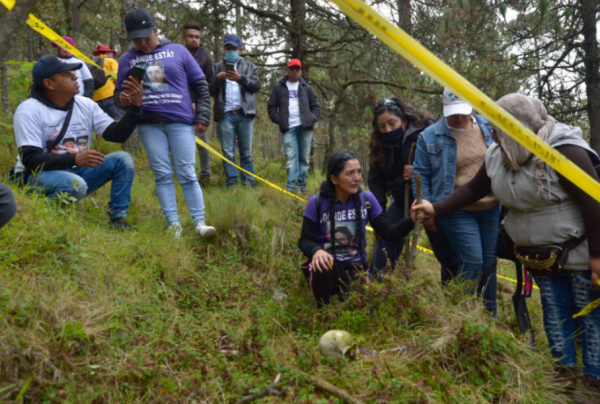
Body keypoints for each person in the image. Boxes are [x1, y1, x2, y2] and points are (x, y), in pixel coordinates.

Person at [413, 94, 600, 397]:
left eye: (499, 129)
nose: (493, 135)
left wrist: (597, 256)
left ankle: (594, 382)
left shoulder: (564, 150)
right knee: (554, 310)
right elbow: (475, 188)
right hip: (541, 256)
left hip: (578, 251)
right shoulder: (499, 154)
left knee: (588, 314)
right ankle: (563, 376)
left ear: (519, 126)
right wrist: (437, 208)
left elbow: (593, 201)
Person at [116, 8, 216, 239]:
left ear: (156, 30)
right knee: (161, 174)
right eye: (136, 39)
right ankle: (174, 224)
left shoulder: (178, 50)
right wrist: (121, 99)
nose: (142, 43)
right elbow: (119, 93)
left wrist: (202, 114)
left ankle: (199, 222)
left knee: (187, 172)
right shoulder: (127, 59)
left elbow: (200, 84)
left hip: (179, 121)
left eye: (146, 36)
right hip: (148, 124)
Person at [13, 55, 143, 228]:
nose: (75, 76)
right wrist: (73, 159)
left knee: (123, 160)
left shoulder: (85, 104)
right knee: (76, 185)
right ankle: (36, 214)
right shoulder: (29, 110)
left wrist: (135, 106)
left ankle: (118, 221)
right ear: (49, 84)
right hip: (38, 175)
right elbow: (31, 159)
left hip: (77, 171)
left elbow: (116, 135)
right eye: (66, 74)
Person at [413, 89, 499, 315]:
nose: (460, 118)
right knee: (472, 261)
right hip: (453, 208)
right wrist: (426, 210)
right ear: (442, 104)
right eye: (454, 113)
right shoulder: (429, 137)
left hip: (491, 208)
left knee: (489, 264)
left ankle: (489, 318)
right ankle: (457, 316)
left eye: (464, 112)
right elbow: (420, 175)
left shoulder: (490, 128)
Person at [298, 152, 415, 308]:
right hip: (328, 267)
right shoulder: (317, 202)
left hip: (355, 269)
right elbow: (304, 240)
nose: (357, 177)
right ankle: (322, 310)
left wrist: (412, 220)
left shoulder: (366, 199)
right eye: (350, 173)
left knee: (357, 309)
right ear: (334, 179)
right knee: (322, 265)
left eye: (359, 171)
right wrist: (316, 251)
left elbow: (388, 232)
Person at [367, 97, 459, 281]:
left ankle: (452, 297)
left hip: (436, 201)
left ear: (404, 118)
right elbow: (376, 180)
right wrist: (379, 218)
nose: (387, 130)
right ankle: (375, 291)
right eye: (382, 126)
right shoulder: (379, 144)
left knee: (447, 255)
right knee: (385, 243)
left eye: (392, 123)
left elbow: (449, 164)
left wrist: (419, 170)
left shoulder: (428, 129)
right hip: (403, 200)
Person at [209, 34, 261, 187]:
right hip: (225, 115)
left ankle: (249, 183)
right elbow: (210, 91)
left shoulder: (250, 67)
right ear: (224, 49)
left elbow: (256, 87)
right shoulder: (216, 67)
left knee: (246, 153)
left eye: (234, 49)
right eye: (228, 48)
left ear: (241, 50)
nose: (231, 51)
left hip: (245, 114)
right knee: (228, 153)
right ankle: (232, 184)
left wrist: (241, 78)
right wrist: (218, 80)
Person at [267, 59, 320, 193]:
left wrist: (311, 119)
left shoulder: (306, 87)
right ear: (287, 70)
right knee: (291, 157)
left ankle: (302, 186)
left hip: (305, 127)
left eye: (297, 69)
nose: (295, 72)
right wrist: (280, 120)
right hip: (288, 128)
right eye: (292, 69)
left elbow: (316, 107)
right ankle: (291, 187)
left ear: (301, 71)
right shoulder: (278, 87)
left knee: (304, 158)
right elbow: (271, 107)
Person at [182, 23, 214, 186]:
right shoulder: (177, 53)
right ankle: (184, 175)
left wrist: (198, 103)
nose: (194, 40)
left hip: (197, 106)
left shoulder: (205, 56)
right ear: (184, 37)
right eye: (191, 36)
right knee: (179, 141)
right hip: (178, 104)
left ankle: (205, 175)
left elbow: (210, 83)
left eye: (197, 37)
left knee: (200, 141)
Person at [90, 45, 122, 119]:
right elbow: (117, 78)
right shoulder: (111, 61)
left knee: (103, 123)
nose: (112, 55)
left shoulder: (91, 63)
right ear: (108, 53)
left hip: (95, 98)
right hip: (110, 95)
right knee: (118, 119)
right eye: (112, 53)